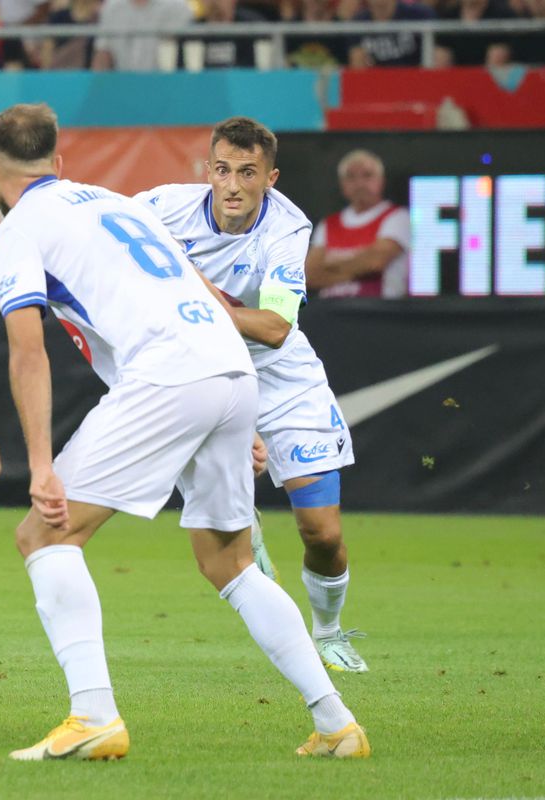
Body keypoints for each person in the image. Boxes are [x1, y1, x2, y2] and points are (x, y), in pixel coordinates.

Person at [0, 103, 369, 762]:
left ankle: (93, 717)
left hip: (169, 376)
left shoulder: (18, 229)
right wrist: (227, 411)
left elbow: (28, 351)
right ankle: (337, 724)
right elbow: (185, 295)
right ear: (59, 162)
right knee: (229, 561)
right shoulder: (119, 205)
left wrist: (41, 464)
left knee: (45, 533)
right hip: (228, 368)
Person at [136, 117, 368, 674]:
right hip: (203, 368)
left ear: (270, 178)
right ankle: (241, 514)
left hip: (281, 376)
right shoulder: (160, 208)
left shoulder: (287, 227)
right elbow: (101, 239)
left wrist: (195, 303)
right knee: (225, 541)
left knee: (323, 532)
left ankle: (329, 631)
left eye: (247, 173)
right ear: (208, 170)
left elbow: (276, 328)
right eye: (222, 170)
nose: (233, 185)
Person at [306, 148, 410, 299]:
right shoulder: (328, 225)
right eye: (351, 177)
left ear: (381, 180)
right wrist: (359, 267)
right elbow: (310, 275)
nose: (359, 183)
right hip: (332, 310)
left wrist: (329, 269)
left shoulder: (398, 217)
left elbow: (374, 262)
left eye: (367, 175)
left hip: (380, 309)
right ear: (342, 184)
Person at [91, 0, 191, 71]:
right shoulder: (111, 7)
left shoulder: (178, 7)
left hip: (166, 85)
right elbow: (103, 53)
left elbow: (190, 51)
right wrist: (97, 85)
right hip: (123, 84)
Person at [348, 0, 437, 68]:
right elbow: (357, 64)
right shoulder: (358, 23)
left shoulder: (420, 15)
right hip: (376, 81)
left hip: (414, 79)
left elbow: (437, 53)